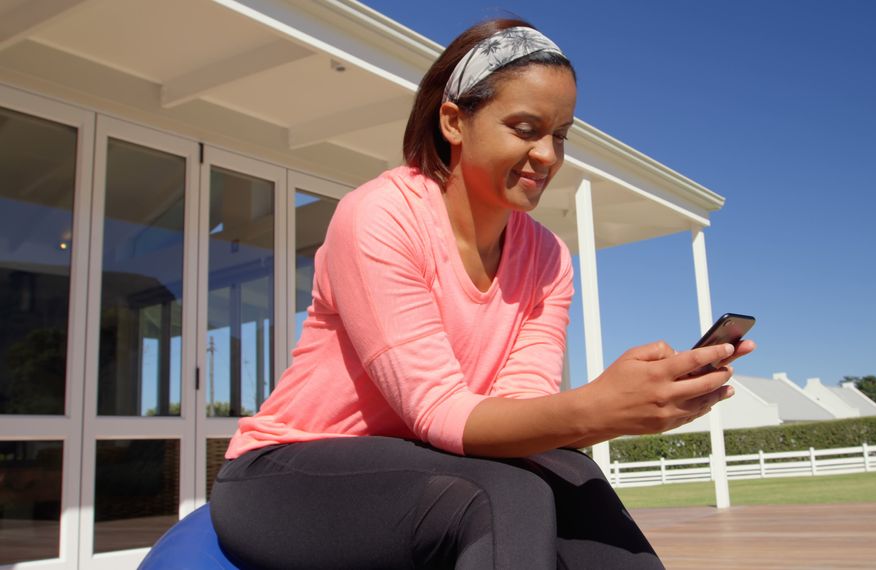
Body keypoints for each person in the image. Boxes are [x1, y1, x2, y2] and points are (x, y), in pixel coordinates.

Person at [210, 18, 754, 569]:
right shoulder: (380, 216)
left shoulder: (548, 259)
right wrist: (602, 407)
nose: (548, 155)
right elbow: (437, 410)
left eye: (560, 135)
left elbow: (517, 408)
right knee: (501, 496)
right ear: (454, 122)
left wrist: (632, 403)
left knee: (575, 476)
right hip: (285, 474)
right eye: (524, 128)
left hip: (425, 466)